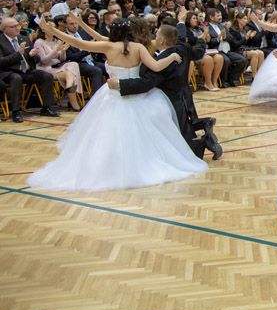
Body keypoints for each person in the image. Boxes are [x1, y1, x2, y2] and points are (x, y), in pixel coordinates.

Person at [28, 18, 206, 191]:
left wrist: (53, 31)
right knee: (142, 134)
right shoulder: (138, 47)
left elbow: (79, 43)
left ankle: (110, 165)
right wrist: (173, 57)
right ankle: (142, 163)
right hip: (137, 95)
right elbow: (158, 66)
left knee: (107, 134)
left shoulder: (109, 46)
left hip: (113, 94)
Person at [111, 23, 223, 160]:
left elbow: (147, 82)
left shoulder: (165, 60)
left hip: (169, 102)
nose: (155, 37)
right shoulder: (182, 47)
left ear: (162, 40)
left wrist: (120, 84)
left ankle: (205, 141)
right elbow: (195, 48)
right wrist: (196, 34)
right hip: (183, 97)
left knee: (181, 144)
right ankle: (205, 125)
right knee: (183, 133)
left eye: (157, 35)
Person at [0, 17, 61, 122]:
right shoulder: (1, 41)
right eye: (13, 26)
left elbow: (36, 59)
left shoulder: (24, 38)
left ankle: (47, 107)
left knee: (46, 76)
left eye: (18, 25)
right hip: (8, 72)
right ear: (5, 29)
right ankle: (16, 111)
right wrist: (18, 54)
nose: (17, 28)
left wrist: (33, 55)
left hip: (26, 71)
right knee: (16, 78)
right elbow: (1, 62)